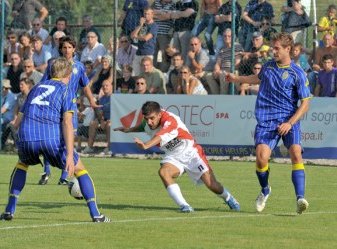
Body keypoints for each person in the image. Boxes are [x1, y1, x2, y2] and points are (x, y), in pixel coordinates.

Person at [0, 58, 111, 223]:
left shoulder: (35, 88)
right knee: (80, 170)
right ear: (69, 74)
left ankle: (9, 210)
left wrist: (16, 127)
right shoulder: (66, 90)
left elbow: (21, 115)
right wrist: (70, 154)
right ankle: (96, 214)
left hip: (27, 136)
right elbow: (66, 122)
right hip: (51, 138)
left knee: (22, 164)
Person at [225, 32, 311, 214]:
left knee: (295, 152)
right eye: (273, 48)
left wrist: (290, 123)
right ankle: (265, 190)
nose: (274, 51)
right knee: (261, 157)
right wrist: (237, 79)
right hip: (266, 120)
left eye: (277, 48)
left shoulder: (297, 73)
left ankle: (300, 199)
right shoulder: (268, 67)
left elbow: (305, 103)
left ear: (288, 49)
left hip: (289, 120)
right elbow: (257, 78)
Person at [114, 101, 241, 213]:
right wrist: (128, 130)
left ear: (159, 114)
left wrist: (146, 145)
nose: (149, 122)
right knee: (163, 172)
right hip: (173, 156)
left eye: (152, 118)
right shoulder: (147, 122)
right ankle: (185, 206)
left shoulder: (170, 120)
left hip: (191, 153)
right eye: (146, 118)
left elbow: (161, 136)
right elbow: (142, 127)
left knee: (212, 185)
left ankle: (229, 198)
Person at [39, 36, 98, 186]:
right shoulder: (53, 64)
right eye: (64, 47)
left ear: (74, 49)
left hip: (69, 107)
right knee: (49, 139)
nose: (67, 50)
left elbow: (85, 86)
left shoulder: (79, 66)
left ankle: (64, 177)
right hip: (53, 106)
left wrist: (92, 101)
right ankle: (46, 171)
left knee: (68, 141)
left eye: (69, 47)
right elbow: (44, 84)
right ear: (61, 49)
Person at [83, 80, 112, 155]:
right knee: (92, 123)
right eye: (103, 86)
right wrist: (102, 121)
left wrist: (108, 121)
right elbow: (100, 113)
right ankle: (90, 147)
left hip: (114, 121)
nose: (105, 87)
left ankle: (109, 148)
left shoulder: (116, 96)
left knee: (109, 124)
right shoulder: (102, 99)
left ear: (111, 86)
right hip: (105, 120)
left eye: (107, 85)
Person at [131, 7, 158, 76]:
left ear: (152, 15)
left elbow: (146, 38)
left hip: (148, 53)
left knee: (147, 74)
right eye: (145, 14)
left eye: (148, 14)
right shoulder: (142, 25)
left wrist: (136, 37)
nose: (146, 15)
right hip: (139, 53)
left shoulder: (154, 26)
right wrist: (140, 25)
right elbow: (132, 36)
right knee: (136, 74)